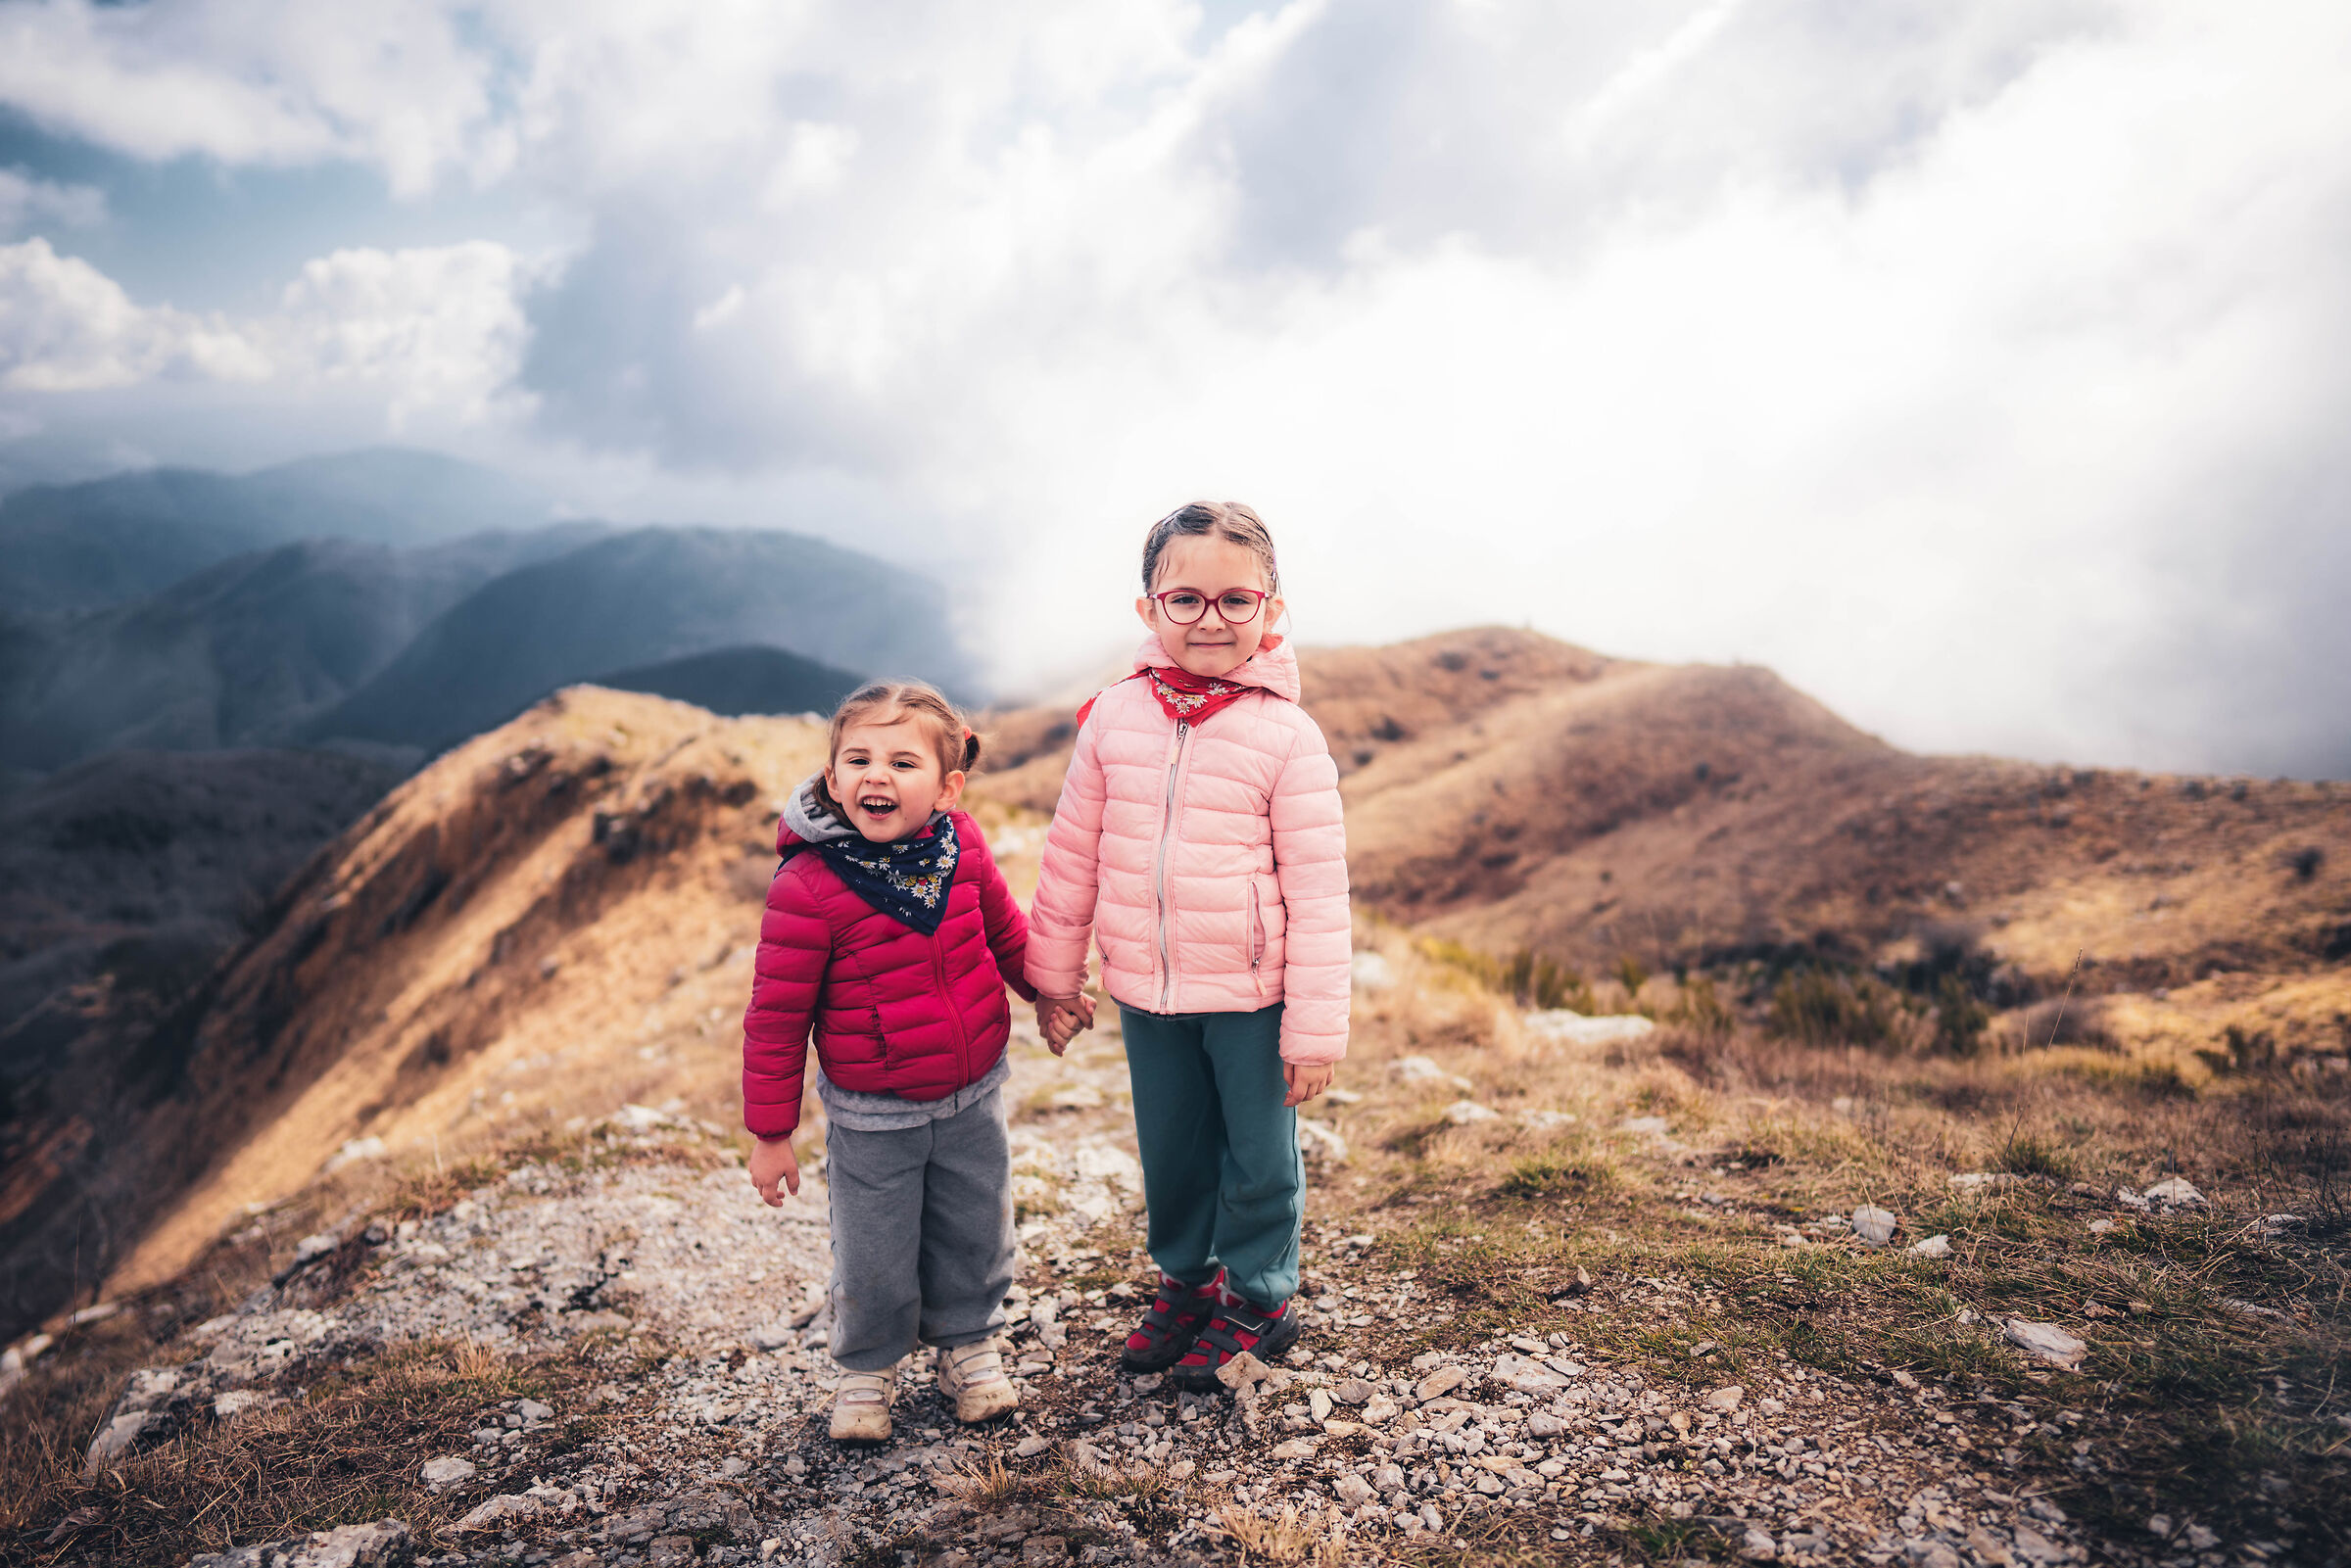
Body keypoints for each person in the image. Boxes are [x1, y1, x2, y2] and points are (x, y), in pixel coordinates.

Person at [1027, 500, 1350, 1390]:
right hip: (1145, 989)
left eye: (1236, 600)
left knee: (1257, 1156)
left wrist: (1314, 1029)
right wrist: (1055, 977)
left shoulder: (1287, 733)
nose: (1211, 619)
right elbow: (1072, 852)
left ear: (1271, 610)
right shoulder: (1112, 719)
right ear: (1148, 609)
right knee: (1171, 1147)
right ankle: (1186, 1278)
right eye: (1187, 599)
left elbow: (1321, 891)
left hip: (1252, 997)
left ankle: (1258, 1295)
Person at [742, 681, 1087, 1443]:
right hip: (874, 1116)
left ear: (947, 784)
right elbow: (775, 1017)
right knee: (875, 1249)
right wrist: (772, 1132)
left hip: (972, 1097)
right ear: (832, 779)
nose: (877, 776)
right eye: (858, 759)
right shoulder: (809, 885)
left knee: (975, 1227)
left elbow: (1005, 934)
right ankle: (867, 1366)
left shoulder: (959, 846)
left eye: (903, 761)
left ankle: (966, 1344)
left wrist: (1047, 990)